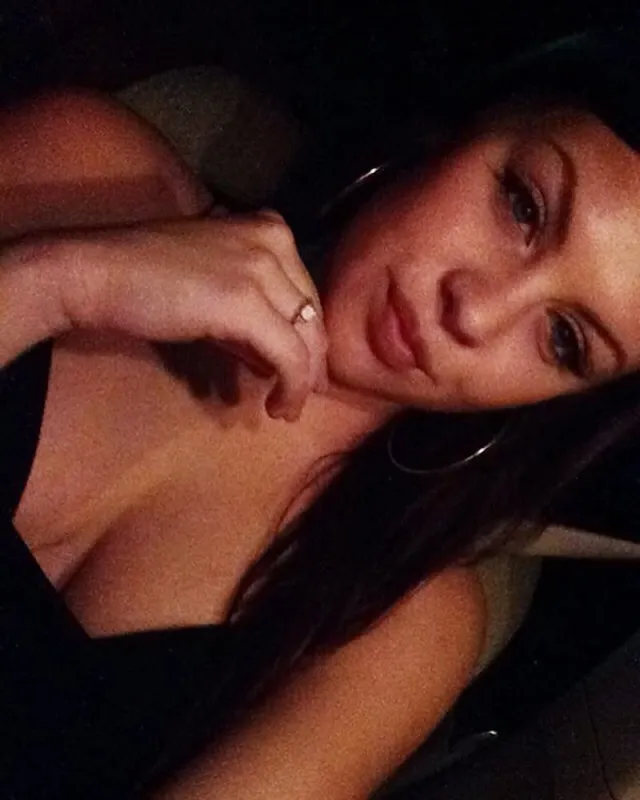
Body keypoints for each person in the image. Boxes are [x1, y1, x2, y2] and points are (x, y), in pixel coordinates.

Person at [2, 23, 640, 799]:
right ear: (465, 126)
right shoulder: (89, 169)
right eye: (522, 205)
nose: (476, 312)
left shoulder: (402, 622)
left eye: (565, 339)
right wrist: (60, 283)